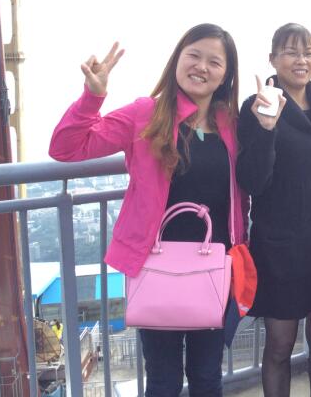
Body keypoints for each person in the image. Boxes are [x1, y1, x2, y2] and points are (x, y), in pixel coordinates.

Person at [49, 24, 247, 397]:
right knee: (163, 379)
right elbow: (66, 148)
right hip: (156, 266)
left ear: (226, 75)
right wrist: (92, 97)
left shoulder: (233, 125)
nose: (201, 67)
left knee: (207, 375)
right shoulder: (147, 114)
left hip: (216, 267)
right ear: (177, 60)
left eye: (214, 62)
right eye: (194, 55)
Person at [236, 23, 311, 397]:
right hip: (278, 244)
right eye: (290, 52)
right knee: (279, 344)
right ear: (273, 59)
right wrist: (266, 128)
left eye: (307, 52)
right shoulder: (255, 106)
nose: (300, 60)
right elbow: (252, 181)